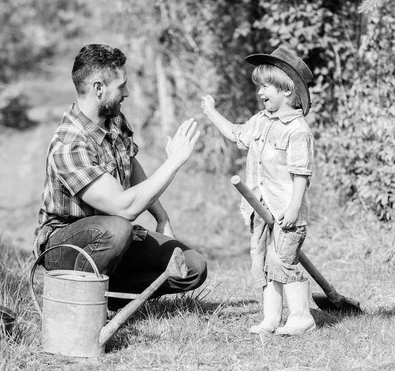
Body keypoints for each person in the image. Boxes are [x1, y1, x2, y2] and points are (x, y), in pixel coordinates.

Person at [34, 43, 207, 310]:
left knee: (192, 266)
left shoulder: (113, 118)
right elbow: (124, 208)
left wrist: (161, 217)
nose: (126, 92)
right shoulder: (70, 144)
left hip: (111, 238)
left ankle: (108, 295)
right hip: (65, 246)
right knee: (117, 228)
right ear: (98, 88)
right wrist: (173, 162)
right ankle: (76, 304)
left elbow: (130, 163)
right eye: (121, 86)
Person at [201, 46, 316, 336]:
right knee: (263, 263)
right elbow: (236, 134)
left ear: (287, 90)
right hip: (260, 210)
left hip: (285, 211)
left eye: (266, 86)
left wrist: (292, 208)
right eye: (260, 86)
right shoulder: (260, 121)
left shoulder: (297, 130)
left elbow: (301, 175)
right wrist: (212, 113)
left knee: (284, 263)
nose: (260, 92)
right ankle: (271, 318)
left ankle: (302, 317)